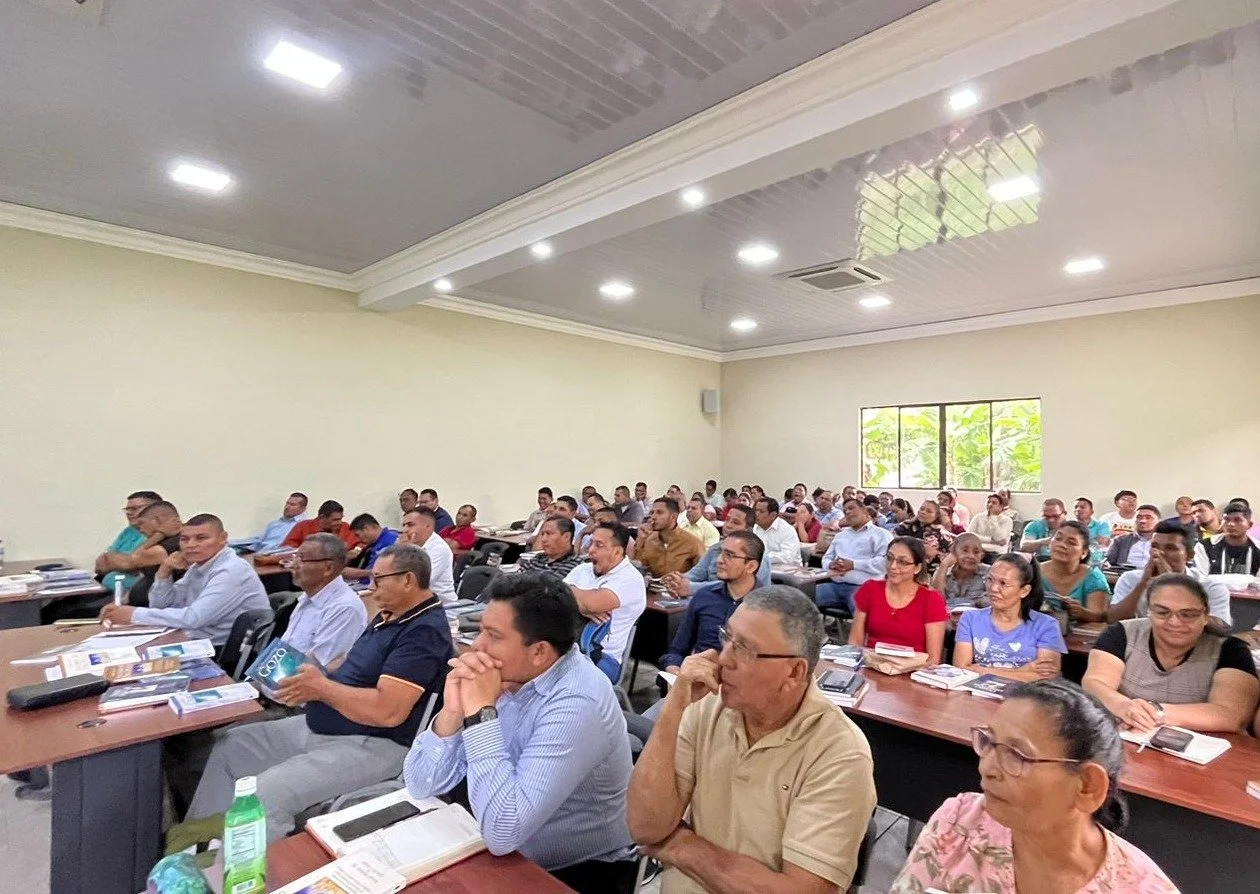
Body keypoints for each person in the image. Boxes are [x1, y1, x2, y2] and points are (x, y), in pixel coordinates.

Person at [188, 544, 452, 840]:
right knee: (231, 745)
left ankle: (251, 878)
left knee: (266, 795)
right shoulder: (390, 613)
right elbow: (353, 659)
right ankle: (199, 842)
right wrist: (318, 670)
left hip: (372, 743)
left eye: (378, 579)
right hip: (327, 724)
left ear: (408, 580)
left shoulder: (423, 633)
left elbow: (388, 712)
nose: (370, 586)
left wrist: (322, 687)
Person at [627, 586, 876, 894]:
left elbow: (800, 891)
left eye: (744, 649)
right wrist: (673, 708)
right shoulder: (707, 704)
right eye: (726, 637)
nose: (723, 660)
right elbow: (645, 827)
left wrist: (681, 848)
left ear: (794, 672)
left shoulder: (839, 753)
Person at [405, 574, 638, 892]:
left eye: (493, 635)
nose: (477, 646)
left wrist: (480, 715)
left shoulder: (578, 701)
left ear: (540, 652)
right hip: (490, 835)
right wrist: (452, 713)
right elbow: (420, 785)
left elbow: (503, 831)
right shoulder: (509, 676)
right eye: (481, 629)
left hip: (572, 872)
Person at [892, 680, 1177, 893]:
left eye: (1016, 755)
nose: (986, 768)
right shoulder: (959, 822)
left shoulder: (1141, 887)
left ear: (1087, 786)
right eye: (989, 743)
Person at [1083, 574, 1259, 733]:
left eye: (1188, 615)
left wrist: (1154, 712)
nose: (1174, 622)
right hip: (1129, 740)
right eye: (1162, 612)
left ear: (1205, 616)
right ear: (1149, 612)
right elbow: (1095, 683)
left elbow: (1231, 715)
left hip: (1203, 752)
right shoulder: (1121, 633)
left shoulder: (1231, 650)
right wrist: (1124, 706)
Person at [100, 513, 270, 647]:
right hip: (195, 639)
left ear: (223, 538)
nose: (191, 545)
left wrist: (133, 614)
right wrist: (164, 572)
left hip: (222, 650)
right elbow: (161, 606)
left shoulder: (231, 570)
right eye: (185, 539)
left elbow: (194, 618)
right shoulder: (198, 566)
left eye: (201, 538)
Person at [657, 532, 765, 678]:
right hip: (697, 679)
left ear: (751, 566)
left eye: (730, 555)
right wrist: (676, 672)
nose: (719, 560)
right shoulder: (704, 597)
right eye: (720, 553)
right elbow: (676, 652)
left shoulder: (767, 607)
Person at [952, 554, 1065, 680]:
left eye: (1003, 583)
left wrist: (980, 669)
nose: (993, 588)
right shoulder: (970, 618)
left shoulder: (1047, 625)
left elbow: (1046, 677)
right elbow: (961, 669)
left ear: (1024, 591)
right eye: (990, 579)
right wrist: (1024, 670)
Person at [1108, 521, 1232, 629]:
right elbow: (1113, 619)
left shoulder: (1210, 586)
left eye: (1171, 548)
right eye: (1154, 546)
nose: (1159, 553)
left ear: (1189, 555)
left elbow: (1219, 627)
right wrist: (1144, 582)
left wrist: (1172, 585)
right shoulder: (1131, 579)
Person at [564, 523, 647, 682]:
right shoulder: (583, 570)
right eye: (591, 542)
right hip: (566, 648)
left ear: (617, 552)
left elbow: (592, 604)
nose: (590, 550)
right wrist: (581, 605)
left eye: (599, 545)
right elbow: (553, 596)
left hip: (601, 658)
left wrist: (570, 593)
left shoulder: (631, 579)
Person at [848, 537, 948, 664]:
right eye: (889, 558)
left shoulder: (931, 600)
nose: (893, 566)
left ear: (917, 568)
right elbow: (855, 643)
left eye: (903, 562)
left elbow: (933, 659)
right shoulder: (870, 589)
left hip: (912, 671)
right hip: (872, 665)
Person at [281, 533, 369, 665]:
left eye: (302, 559)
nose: (293, 565)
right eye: (295, 557)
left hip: (299, 683)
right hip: (274, 680)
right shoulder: (307, 598)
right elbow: (282, 652)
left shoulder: (344, 608)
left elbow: (316, 668)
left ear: (328, 568)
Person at [664, 504, 771, 595]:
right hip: (713, 598)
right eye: (727, 520)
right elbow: (696, 574)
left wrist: (692, 588)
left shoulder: (757, 554)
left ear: (748, 530)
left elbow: (732, 585)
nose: (728, 525)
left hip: (746, 605)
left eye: (735, 522)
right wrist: (677, 579)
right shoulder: (715, 548)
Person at [103, 500, 185, 610]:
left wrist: (159, 534)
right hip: (138, 604)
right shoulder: (163, 541)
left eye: (142, 523)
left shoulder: (173, 544)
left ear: (157, 520)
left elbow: (135, 558)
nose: (140, 530)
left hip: (157, 609)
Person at [815, 498, 892, 613]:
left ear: (864, 511)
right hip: (834, 586)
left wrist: (854, 565)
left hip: (864, 588)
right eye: (845, 511)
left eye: (851, 508)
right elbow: (826, 558)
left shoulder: (881, 535)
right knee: (801, 599)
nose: (848, 512)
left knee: (862, 612)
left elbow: (885, 563)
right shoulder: (841, 535)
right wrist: (831, 564)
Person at [1040, 520, 1111, 624]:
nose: (1062, 545)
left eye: (1071, 543)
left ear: (1084, 553)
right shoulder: (1033, 572)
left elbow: (1101, 616)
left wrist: (1082, 613)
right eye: (1058, 539)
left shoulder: (1093, 576)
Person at [94, 490, 162, 593]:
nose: (129, 513)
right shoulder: (129, 531)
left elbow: (130, 564)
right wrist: (123, 563)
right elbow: (101, 563)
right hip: (107, 589)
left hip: (134, 596)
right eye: (127, 510)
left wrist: (118, 561)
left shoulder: (159, 533)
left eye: (134, 509)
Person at [400, 508, 457, 605]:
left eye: (410, 525)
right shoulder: (412, 544)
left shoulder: (439, 549)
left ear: (428, 527)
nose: (404, 530)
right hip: (416, 603)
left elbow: (418, 583)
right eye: (404, 525)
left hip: (441, 607)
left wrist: (404, 552)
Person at [635, 498, 706, 577]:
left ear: (674, 516)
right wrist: (640, 542)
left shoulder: (692, 542)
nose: (653, 517)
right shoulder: (649, 540)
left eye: (659, 512)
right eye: (652, 512)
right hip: (654, 587)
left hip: (680, 587)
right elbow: (638, 570)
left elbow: (702, 574)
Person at [269, 500, 357, 558]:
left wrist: (357, 550)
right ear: (322, 518)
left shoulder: (345, 527)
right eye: (335, 520)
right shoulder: (303, 526)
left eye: (340, 519)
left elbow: (361, 542)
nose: (339, 522)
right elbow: (287, 549)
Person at [931, 533, 991, 610]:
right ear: (953, 552)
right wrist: (944, 566)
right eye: (965, 551)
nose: (971, 556)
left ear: (981, 555)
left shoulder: (989, 573)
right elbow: (935, 602)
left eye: (976, 552)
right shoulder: (942, 572)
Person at [1201, 500, 1260, 576]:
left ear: (1249, 524)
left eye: (1237, 520)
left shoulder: (1258, 548)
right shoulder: (1205, 546)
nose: (1231, 524)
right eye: (1227, 520)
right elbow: (1201, 580)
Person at [894, 500, 954, 573]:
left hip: (930, 570)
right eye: (921, 509)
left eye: (929, 511)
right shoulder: (906, 525)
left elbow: (928, 552)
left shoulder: (938, 531)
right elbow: (892, 540)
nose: (923, 512)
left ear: (936, 515)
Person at [239, 493, 308, 554]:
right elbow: (256, 540)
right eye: (287, 503)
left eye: (292, 505)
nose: (287, 507)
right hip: (258, 555)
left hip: (276, 559)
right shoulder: (274, 524)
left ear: (303, 509)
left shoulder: (304, 526)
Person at [518, 517, 582, 578]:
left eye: (549, 534)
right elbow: (516, 579)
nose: (543, 539)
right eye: (542, 534)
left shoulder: (575, 565)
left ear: (566, 537)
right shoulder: (538, 558)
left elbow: (550, 587)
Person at [344, 513, 400, 581]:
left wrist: (358, 573)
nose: (358, 540)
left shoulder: (392, 541)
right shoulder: (373, 544)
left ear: (366, 528)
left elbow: (390, 571)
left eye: (357, 535)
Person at [1104, 504, 1160, 569]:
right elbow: (1108, 561)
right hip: (1124, 574)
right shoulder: (1121, 540)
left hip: (1155, 576)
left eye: (1148, 518)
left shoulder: (1164, 541)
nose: (1142, 521)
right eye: (1139, 517)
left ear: (1158, 521)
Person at [752, 498, 802, 566]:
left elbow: (787, 557)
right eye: (755, 510)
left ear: (773, 515)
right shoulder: (754, 528)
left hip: (788, 572)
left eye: (761, 511)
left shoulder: (787, 530)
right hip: (763, 567)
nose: (756, 514)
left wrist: (762, 557)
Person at [1073, 497, 1113, 564]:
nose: (1078, 509)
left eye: (1082, 507)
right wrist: (1094, 539)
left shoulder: (1101, 525)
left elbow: (1103, 542)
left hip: (1096, 559)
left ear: (1092, 512)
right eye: (1076, 507)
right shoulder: (1069, 526)